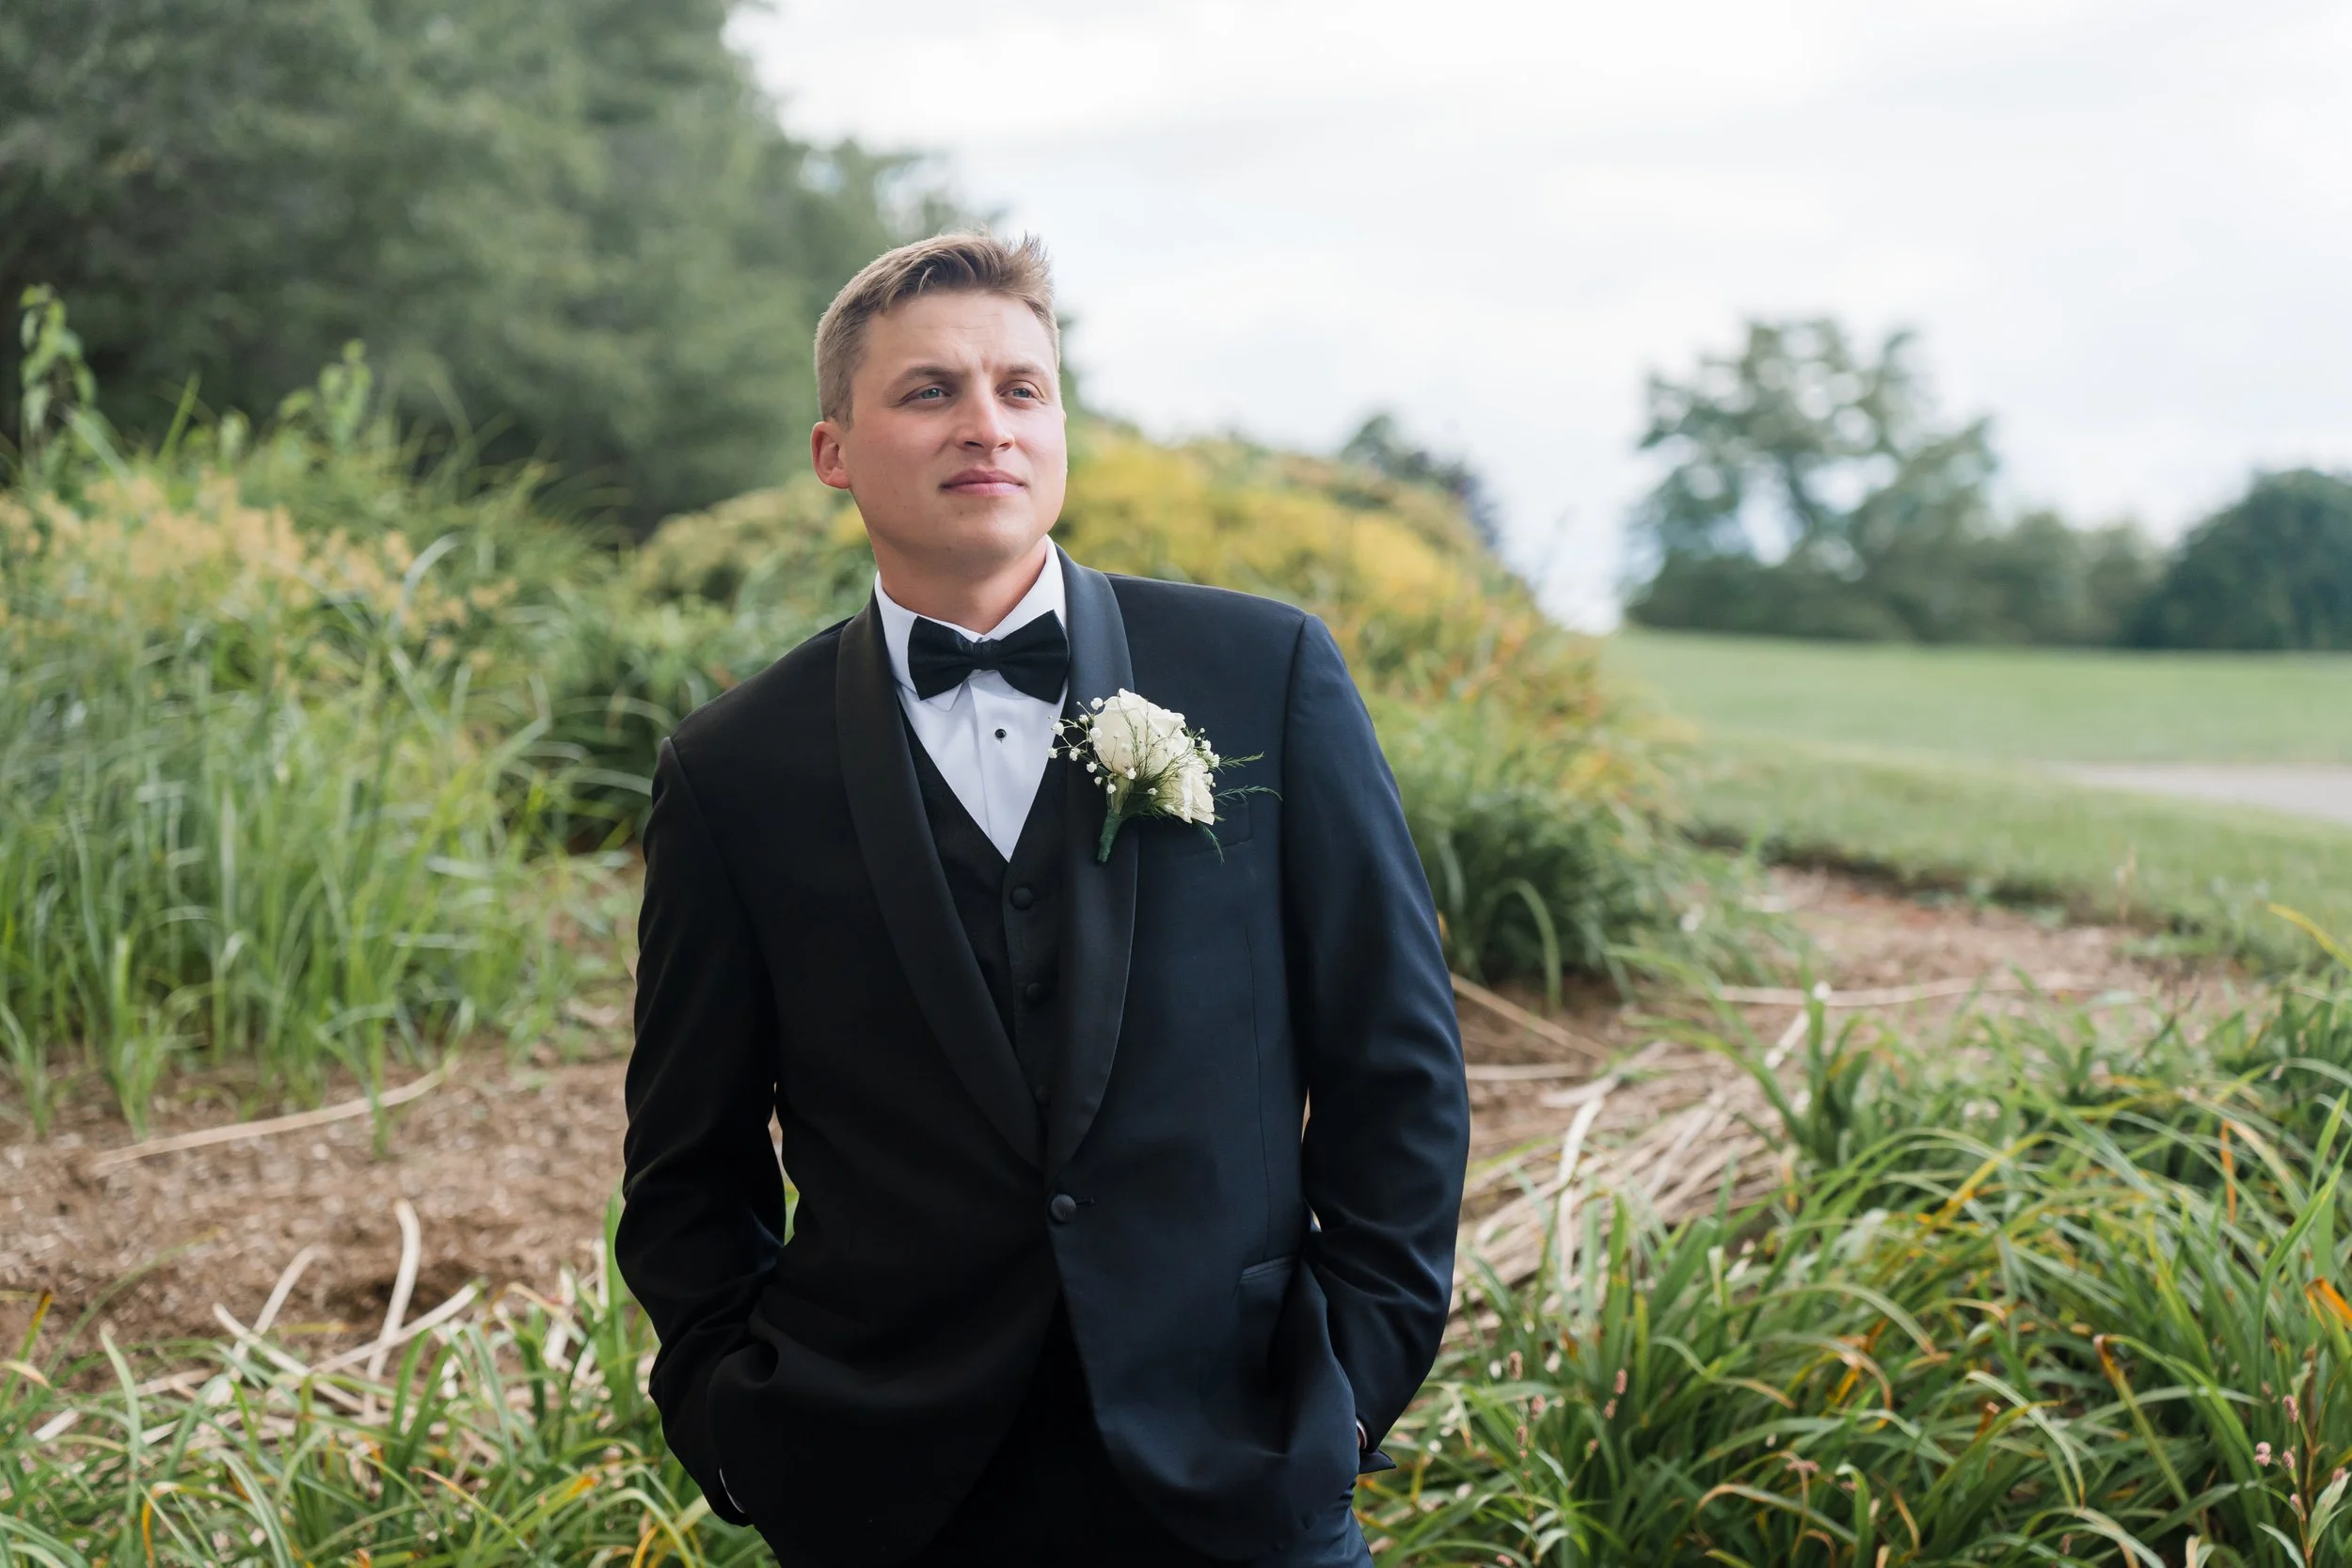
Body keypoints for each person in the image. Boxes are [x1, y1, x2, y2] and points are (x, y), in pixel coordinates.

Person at [615, 230, 1470, 1567]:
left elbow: (1398, 1069)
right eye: (929, 391)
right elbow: (688, 1161)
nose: (986, 426)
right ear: (834, 449)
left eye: (1023, 388)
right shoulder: (732, 772)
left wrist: (1345, 1389)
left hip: (1240, 1463)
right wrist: (738, 1419)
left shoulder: (1266, 674)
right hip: (888, 1490)